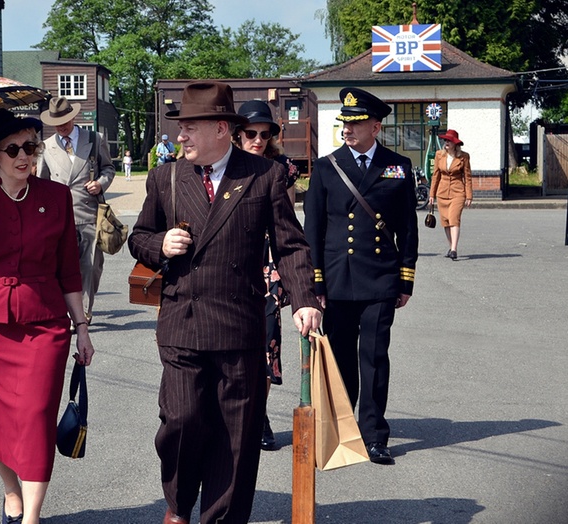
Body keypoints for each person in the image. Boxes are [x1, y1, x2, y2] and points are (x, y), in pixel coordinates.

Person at [128, 81, 322, 524]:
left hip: (239, 326)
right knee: (180, 421)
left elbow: (290, 246)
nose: (181, 136)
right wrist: (161, 244)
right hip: (182, 322)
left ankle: (220, 519)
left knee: (236, 438)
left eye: (190, 128)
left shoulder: (264, 175)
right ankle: (178, 504)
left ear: (220, 128)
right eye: (180, 128)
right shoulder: (165, 177)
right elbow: (137, 238)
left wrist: (304, 301)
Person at [0, 108, 94, 524]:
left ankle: (32, 518)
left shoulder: (56, 196)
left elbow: (69, 270)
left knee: (37, 416)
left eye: (30, 146)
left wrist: (82, 327)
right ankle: (12, 495)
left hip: (45, 324)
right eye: (13, 150)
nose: (24, 156)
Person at [304, 87, 419, 466]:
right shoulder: (326, 166)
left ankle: (374, 435)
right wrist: (315, 281)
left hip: (380, 280)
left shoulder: (398, 166)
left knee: (373, 357)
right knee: (339, 358)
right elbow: (314, 229)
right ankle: (341, 429)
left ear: (375, 125)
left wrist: (405, 279)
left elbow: (407, 227)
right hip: (337, 279)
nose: (347, 130)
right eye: (344, 123)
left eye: (355, 124)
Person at [231, 99, 295, 451]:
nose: (258, 139)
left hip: (269, 267)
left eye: (265, 134)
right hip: (234, 263)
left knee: (267, 344)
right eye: (251, 133)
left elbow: (288, 224)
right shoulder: (225, 165)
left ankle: (260, 416)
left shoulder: (283, 168)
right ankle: (235, 415)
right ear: (238, 133)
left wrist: (295, 273)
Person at [37, 96, 115, 323]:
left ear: (73, 117)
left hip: (89, 213)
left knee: (91, 266)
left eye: (65, 121)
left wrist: (101, 183)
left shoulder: (94, 138)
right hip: (59, 218)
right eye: (57, 122)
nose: (62, 126)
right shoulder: (47, 146)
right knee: (63, 267)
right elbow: (42, 183)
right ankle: (71, 309)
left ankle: (84, 312)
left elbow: (109, 168)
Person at [429, 129, 472, 259]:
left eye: (449, 140)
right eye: (445, 140)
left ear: (455, 143)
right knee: (446, 221)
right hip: (442, 193)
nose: (446, 142)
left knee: (454, 219)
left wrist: (469, 195)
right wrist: (432, 194)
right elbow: (435, 175)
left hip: (458, 192)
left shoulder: (464, 157)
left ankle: (454, 249)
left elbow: (467, 177)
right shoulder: (439, 155)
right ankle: (451, 246)